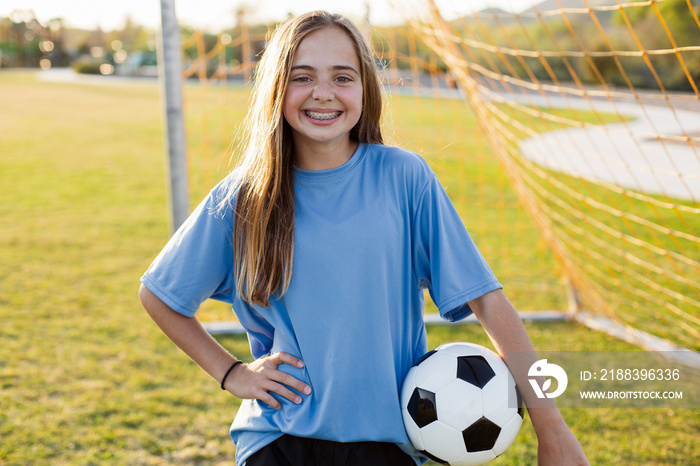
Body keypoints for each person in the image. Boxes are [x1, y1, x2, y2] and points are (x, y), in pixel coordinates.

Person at [139, 10, 589, 466]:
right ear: (277, 87)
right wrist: (232, 372)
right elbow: (160, 295)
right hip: (276, 437)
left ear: (365, 89)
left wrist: (551, 429)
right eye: (302, 77)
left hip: (386, 441)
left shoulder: (404, 178)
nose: (323, 93)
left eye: (342, 77)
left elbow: (488, 302)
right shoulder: (247, 195)